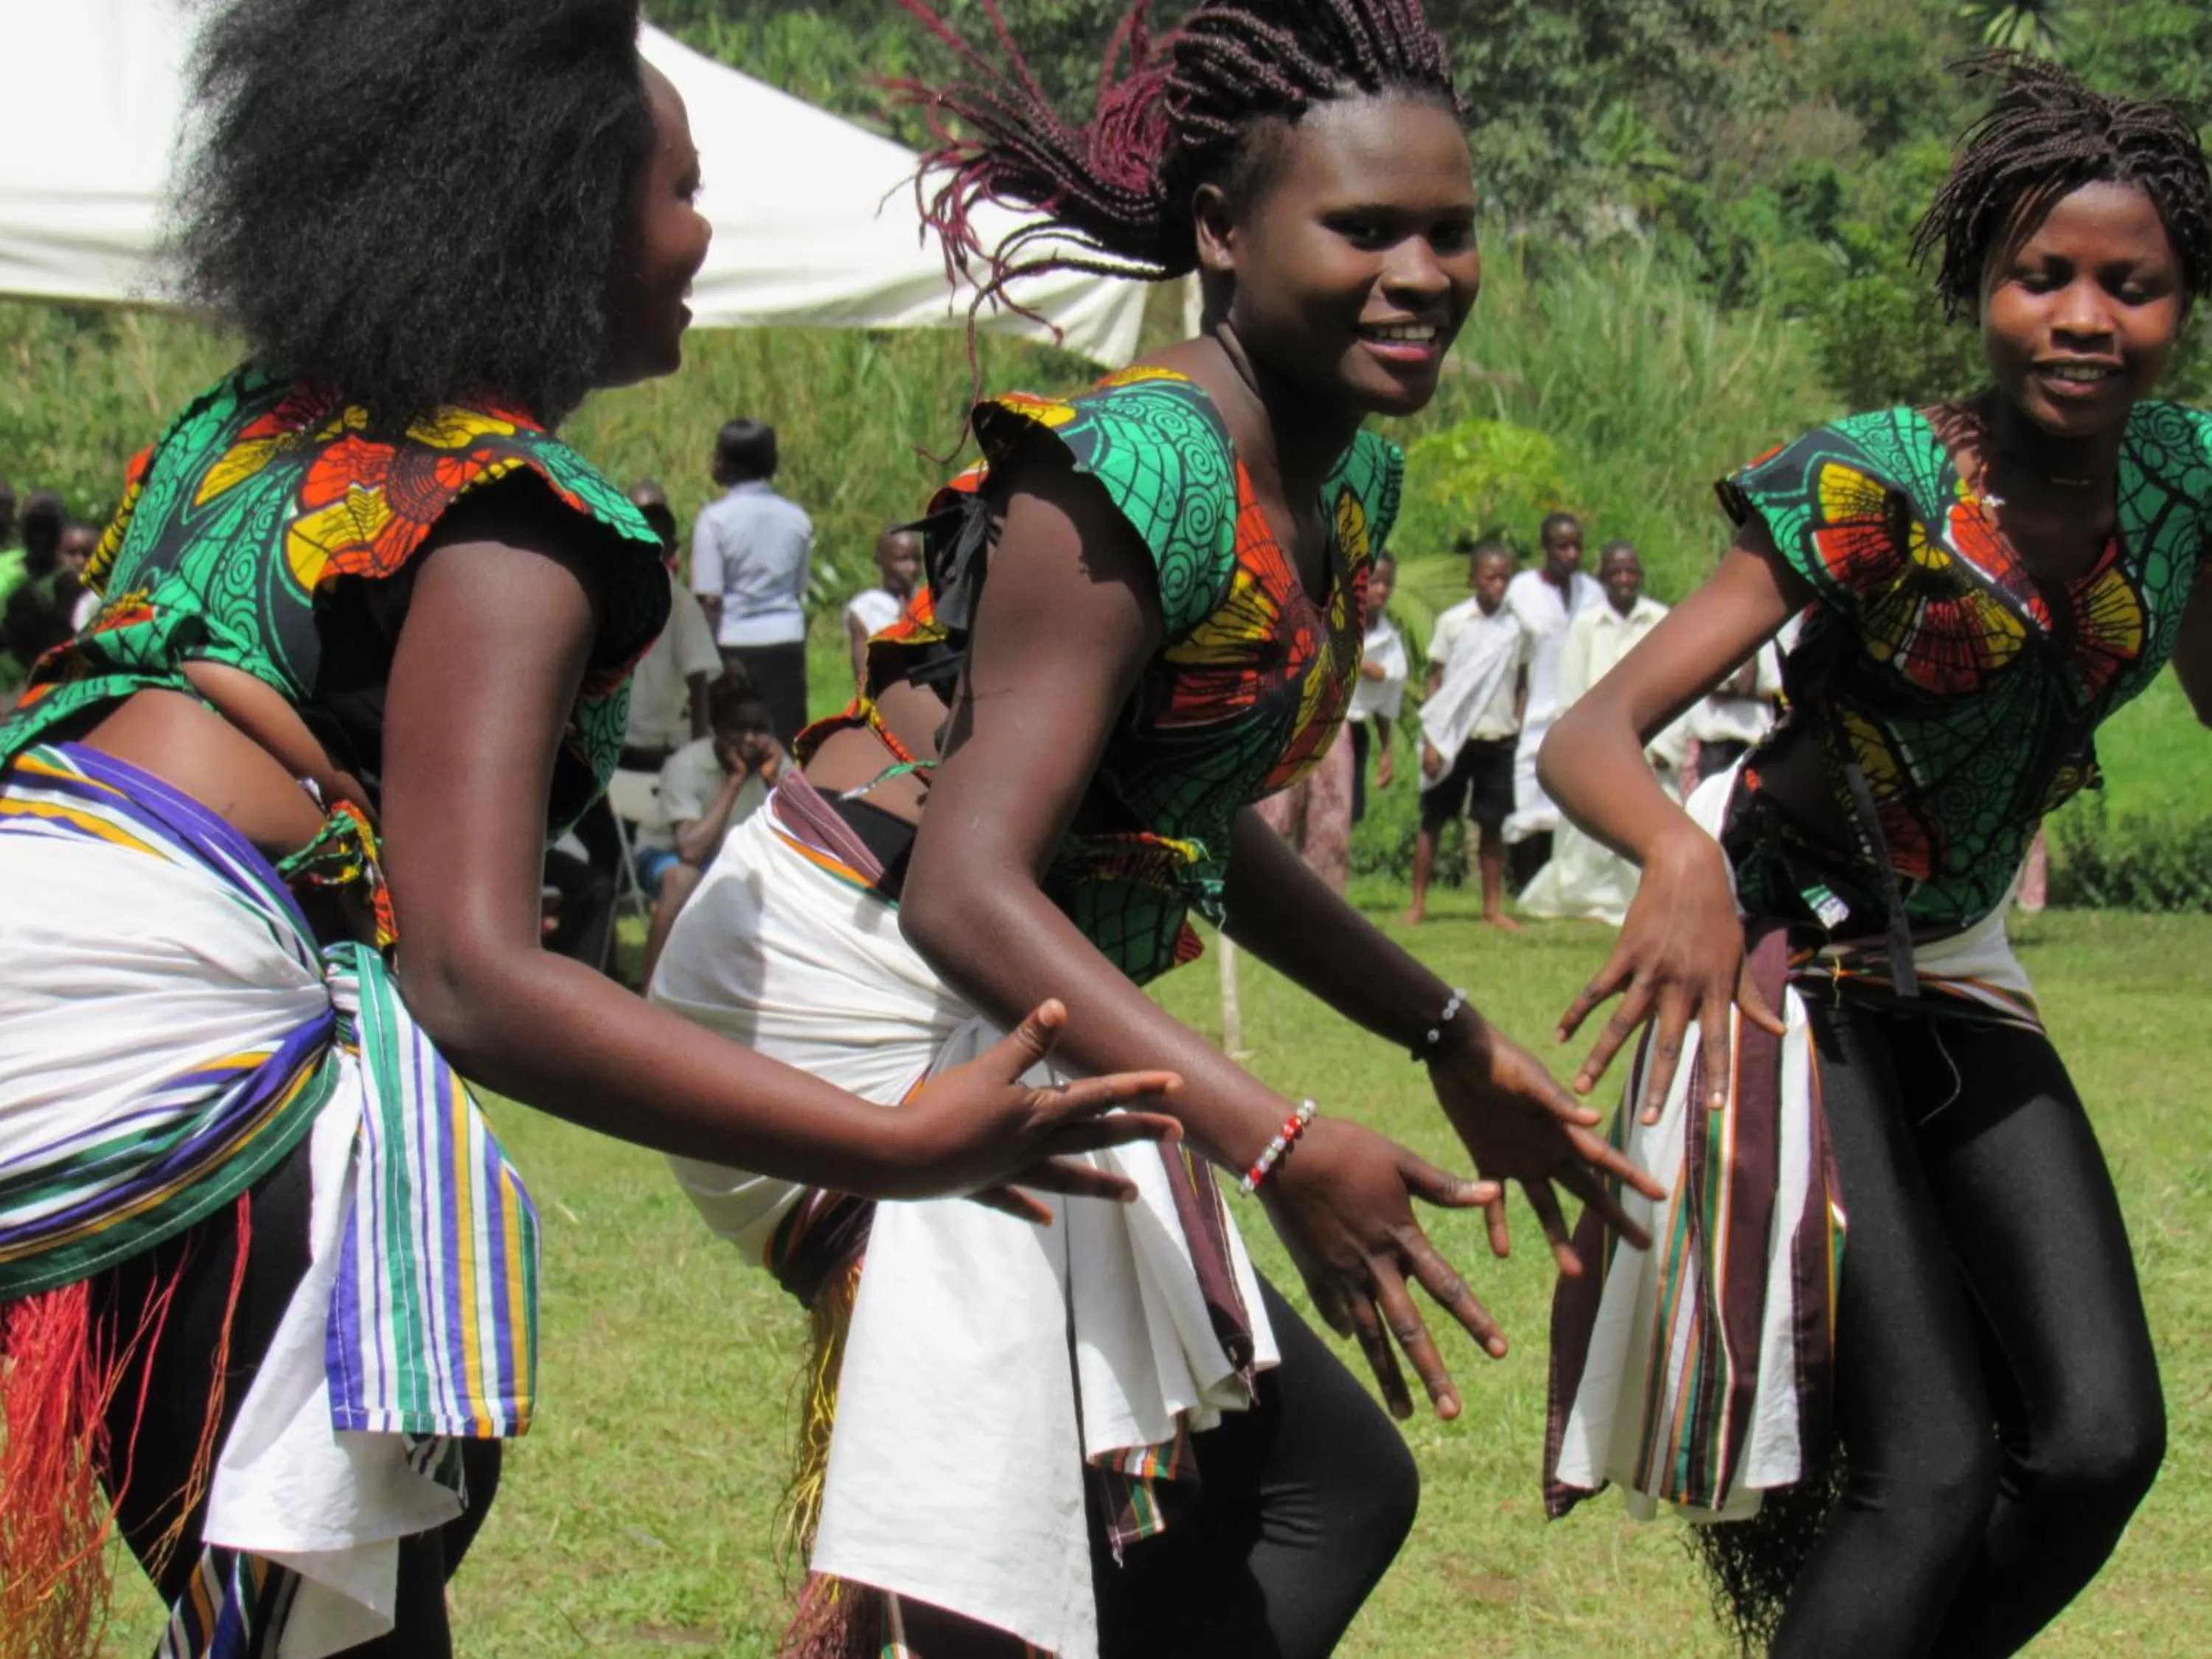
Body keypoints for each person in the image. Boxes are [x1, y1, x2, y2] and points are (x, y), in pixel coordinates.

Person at [0, 8, 1178, 1656]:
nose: (707, 233)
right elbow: (481, 975)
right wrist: (900, 1145)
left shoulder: (246, 421)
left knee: (383, 1545)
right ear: (555, 206)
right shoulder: (518, 519)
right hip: (163, 1011)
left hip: (45, 943)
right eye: (681, 187)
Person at [650, 4, 1663, 1655]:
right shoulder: (1135, 469)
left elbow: (1181, 816)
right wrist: (1273, 1138)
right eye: (1363, 228)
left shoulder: (1343, 485)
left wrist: (1450, 1031)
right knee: (1039, 1561)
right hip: (848, 976)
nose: (1420, 273)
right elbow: (967, 889)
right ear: (1220, 231)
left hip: (993, 975)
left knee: (1322, 1493)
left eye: (1449, 230)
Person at [1537, 55, 2211, 1658]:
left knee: (2103, 1445)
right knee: (1927, 1470)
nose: (2084, 317)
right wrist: (1680, 866)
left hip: (1958, 957)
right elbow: (1586, 737)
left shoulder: (2184, 483)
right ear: (1980, 286)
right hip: (1791, 956)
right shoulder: (1879, 483)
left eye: (2136, 286)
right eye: (2040, 276)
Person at [1518, 540, 1686, 924]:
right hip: (1600, 749)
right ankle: (1586, 902)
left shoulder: (1661, 621)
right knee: (1587, 843)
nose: (1624, 580)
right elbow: (1572, 695)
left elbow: (1678, 691)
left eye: (1631, 572)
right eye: (1615, 573)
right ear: (1603, 578)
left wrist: (1663, 750)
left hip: (1651, 747)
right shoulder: (1585, 627)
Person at [1407, 538, 1525, 928]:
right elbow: (1437, 682)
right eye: (1491, 577)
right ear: (1473, 579)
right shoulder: (1453, 623)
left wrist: (1517, 721)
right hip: (1453, 737)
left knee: (1491, 824)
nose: (1498, 584)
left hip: (1498, 737)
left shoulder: (1516, 628)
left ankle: (1492, 907)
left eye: (1505, 577)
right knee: (1434, 820)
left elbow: (1521, 681)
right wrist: (1432, 739)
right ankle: (1418, 904)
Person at [636, 681, 780, 986]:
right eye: (738, 729)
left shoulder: (776, 766)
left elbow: (801, 838)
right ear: (716, 729)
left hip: (734, 860)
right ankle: (649, 991)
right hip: (665, 855)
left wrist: (773, 783)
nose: (750, 739)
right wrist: (735, 781)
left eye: (760, 729)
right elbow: (690, 851)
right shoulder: (687, 764)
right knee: (682, 879)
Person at [691, 416, 813, 745]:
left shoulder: (714, 520)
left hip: (733, 647)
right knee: (783, 742)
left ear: (724, 464)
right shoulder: (797, 518)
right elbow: (799, 590)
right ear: (773, 464)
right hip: (786, 644)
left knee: (733, 744)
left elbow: (710, 601)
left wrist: (707, 665)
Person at [1501, 509, 1602, 878]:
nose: (1571, 555)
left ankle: (1558, 876)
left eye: (1577, 546)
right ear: (1546, 547)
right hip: (1532, 709)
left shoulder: (1591, 592)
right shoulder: (1522, 590)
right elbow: (1511, 655)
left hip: (1575, 711)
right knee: (1527, 793)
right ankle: (1522, 880)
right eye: (1562, 546)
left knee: (1567, 797)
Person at [622, 477, 723, 765]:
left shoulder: (680, 603)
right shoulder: (608, 594)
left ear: (672, 548)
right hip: (614, 745)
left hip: (657, 748)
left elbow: (698, 679)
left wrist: (701, 751)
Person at [1346, 549, 1405, 822]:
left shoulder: (1389, 640)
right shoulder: (1334, 620)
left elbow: (1385, 700)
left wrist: (1386, 750)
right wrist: (1362, 665)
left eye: (1387, 584)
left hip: (1354, 731)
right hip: (1319, 730)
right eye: (1374, 581)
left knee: (1347, 812)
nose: (1381, 590)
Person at [0, 490, 73, 692]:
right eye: (35, 527)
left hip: (48, 689)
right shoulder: (3, 567)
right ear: (21, 528)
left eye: (49, 528)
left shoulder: (71, 582)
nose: (42, 537)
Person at [845, 523, 923, 679]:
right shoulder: (865, 610)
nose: (912, 568)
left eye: (917, 559)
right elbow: (863, 675)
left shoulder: (931, 602)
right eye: (903, 559)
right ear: (880, 560)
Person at [60, 520, 102, 632]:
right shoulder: (46, 600)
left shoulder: (99, 604)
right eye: (71, 552)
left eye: (87, 554)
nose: (80, 561)